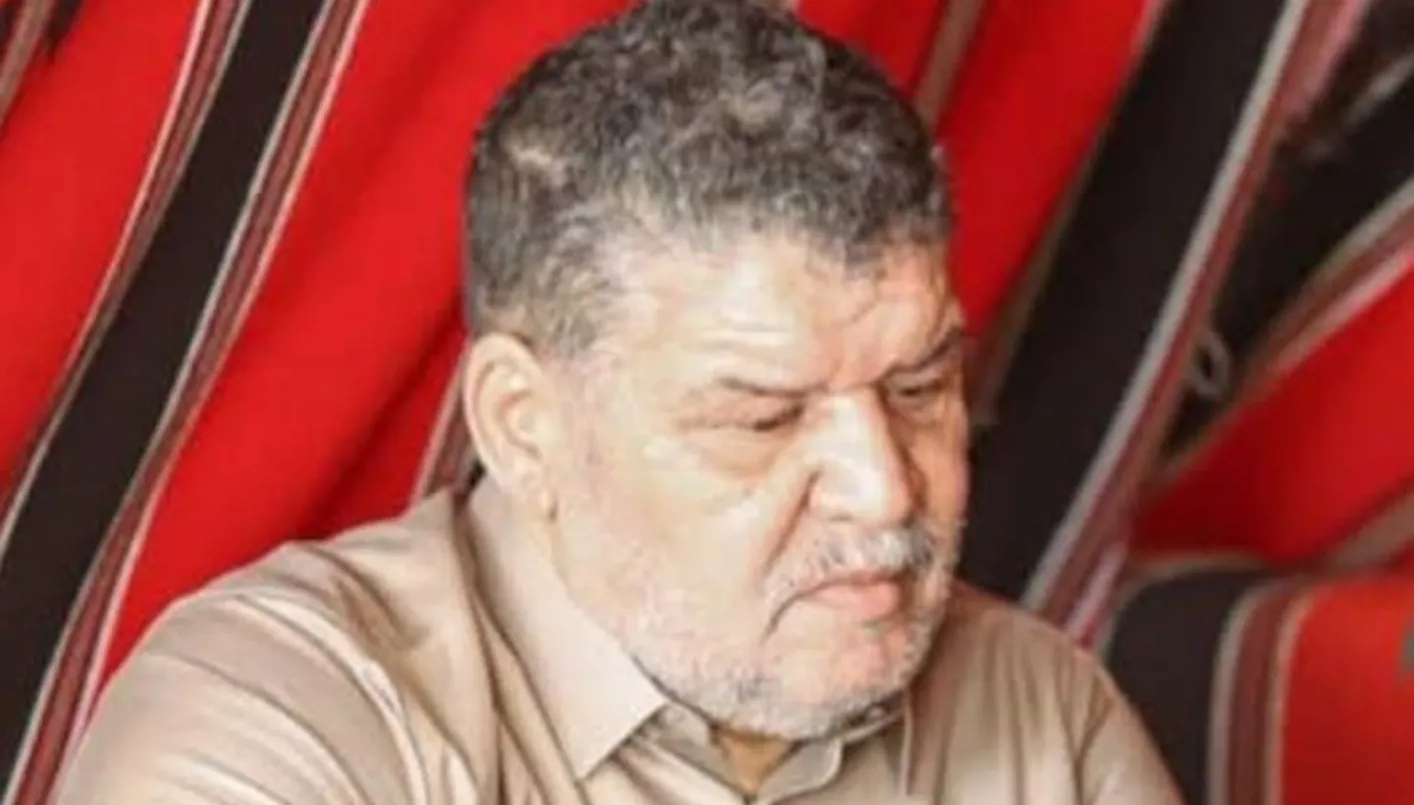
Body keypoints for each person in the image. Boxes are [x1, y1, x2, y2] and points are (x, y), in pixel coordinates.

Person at [53, 1, 1182, 802]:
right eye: (763, 417)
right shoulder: (281, 721)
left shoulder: (1045, 723)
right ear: (524, 425)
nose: (884, 485)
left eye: (920, 385)